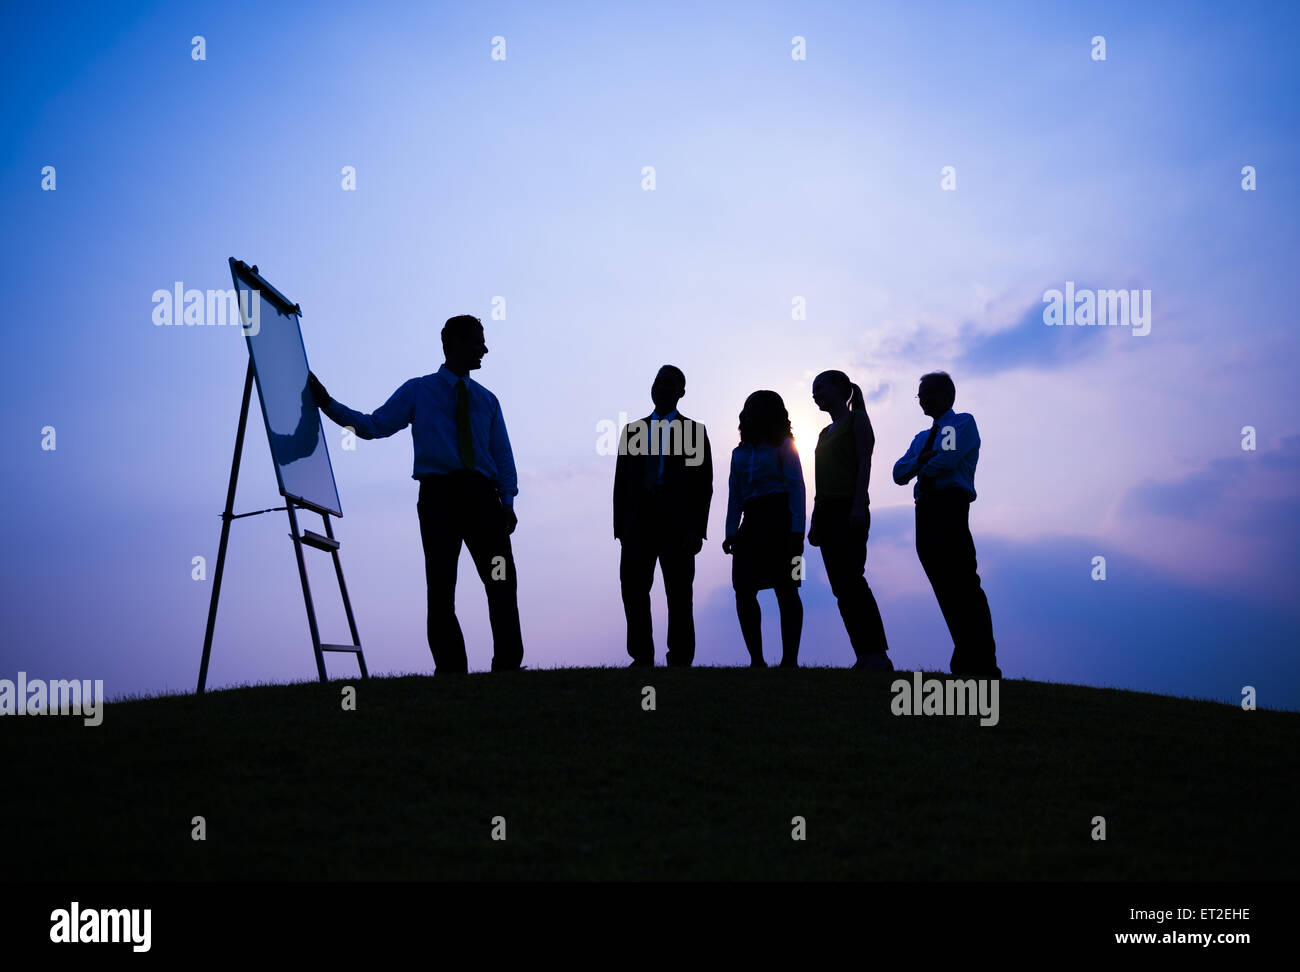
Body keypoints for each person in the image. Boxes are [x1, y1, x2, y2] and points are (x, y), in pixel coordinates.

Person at [307, 315, 523, 675]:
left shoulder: (488, 400)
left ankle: (508, 666)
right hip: (439, 497)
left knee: (501, 580)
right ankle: (451, 669)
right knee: (441, 585)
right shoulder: (418, 391)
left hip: (483, 498)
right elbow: (373, 426)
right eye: (477, 341)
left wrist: (508, 501)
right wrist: (327, 404)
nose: (484, 348)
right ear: (453, 344)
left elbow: (502, 454)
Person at [892, 371, 1001, 678]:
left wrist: (921, 466)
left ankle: (982, 661)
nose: (923, 399)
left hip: (950, 506)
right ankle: (967, 656)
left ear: (946, 394)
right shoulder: (919, 438)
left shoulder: (961, 423)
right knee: (944, 587)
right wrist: (922, 462)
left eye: (928, 393)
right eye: (920, 395)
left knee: (963, 584)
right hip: (924, 510)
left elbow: (947, 460)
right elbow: (898, 473)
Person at [613, 366, 713, 667]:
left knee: (680, 594)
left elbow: (702, 485)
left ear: (681, 392)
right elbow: (622, 483)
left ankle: (680, 657)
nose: (662, 388)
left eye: (669, 384)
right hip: (638, 523)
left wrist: (697, 529)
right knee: (633, 590)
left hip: (678, 524)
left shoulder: (694, 431)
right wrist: (621, 527)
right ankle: (642, 656)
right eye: (658, 382)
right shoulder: (633, 431)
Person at [808, 371, 892, 671]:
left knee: (853, 580)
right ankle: (862, 654)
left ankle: (877, 654)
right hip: (827, 512)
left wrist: (858, 504)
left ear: (842, 389)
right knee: (840, 587)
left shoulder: (858, 421)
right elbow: (820, 480)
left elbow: (864, 463)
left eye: (821, 387)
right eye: (813, 390)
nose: (816, 394)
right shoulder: (822, 434)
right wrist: (815, 519)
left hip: (850, 508)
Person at [723, 390, 805, 668]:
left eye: (754, 409)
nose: (747, 414)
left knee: (789, 589)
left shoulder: (785, 446)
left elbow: (796, 488)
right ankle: (756, 659)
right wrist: (731, 531)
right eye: (746, 409)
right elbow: (734, 494)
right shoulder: (738, 453)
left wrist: (797, 532)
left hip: (782, 523)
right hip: (752, 524)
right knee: (743, 590)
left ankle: (789, 660)